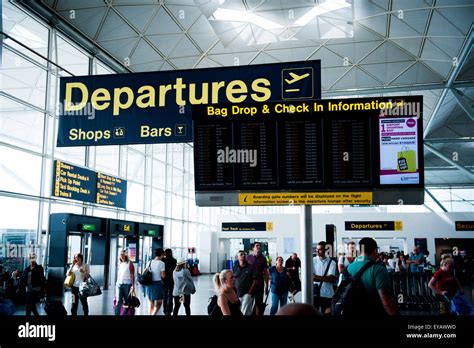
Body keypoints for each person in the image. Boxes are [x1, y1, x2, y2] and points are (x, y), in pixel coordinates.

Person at [344, 237, 399, 316]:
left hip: (351, 311)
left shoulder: (347, 269)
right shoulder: (379, 269)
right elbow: (385, 297)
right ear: (375, 250)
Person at [312, 241, 336, 315]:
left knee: (327, 313)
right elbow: (311, 277)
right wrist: (324, 278)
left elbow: (330, 278)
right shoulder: (312, 261)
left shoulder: (332, 262)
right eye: (316, 249)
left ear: (326, 250)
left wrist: (316, 277)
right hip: (315, 293)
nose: (317, 251)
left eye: (320, 249)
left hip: (328, 294)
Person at [247, 242, 269, 315]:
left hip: (260, 283)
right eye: (257, 246)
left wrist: (266, 285)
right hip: (250, 284)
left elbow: (266, 272)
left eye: (259, 246)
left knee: (259, 303)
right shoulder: (248, 258)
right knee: (248, 302)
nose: (258, 247)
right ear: (253, 248)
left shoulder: (263, 258)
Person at [232, 250, 257, 315]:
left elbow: (255, 281)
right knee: (240, 311)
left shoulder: (251, 267)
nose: (243, 256)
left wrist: (249, 293)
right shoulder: (235, 267)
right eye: (241, 254)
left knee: (245, 312)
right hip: (237, 294)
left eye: (244, 254)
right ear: (237, 257)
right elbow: (233, 279)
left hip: (247, 294)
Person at [115, 249, 135, 316]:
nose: (121, 256)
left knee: (127, 302)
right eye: (120, 255)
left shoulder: (130, 263)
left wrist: (133, 285)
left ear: (126, 255)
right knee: (118, 301)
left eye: (123, 254)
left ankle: (124, 314)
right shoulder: (119, 263)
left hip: (127, 284)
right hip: (119, 284)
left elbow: (132, 275)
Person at [147, 248, 166, 315]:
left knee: (151, 302)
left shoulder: (149, 262)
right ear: (161, 254)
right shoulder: (161, 263)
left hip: (149, 284)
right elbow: (163, 275)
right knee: (159, 302)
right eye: (163, 254)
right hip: (157, 284)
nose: (164, 255)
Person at [162, 248, 177, 316]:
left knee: (165, 295)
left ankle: (165, 310)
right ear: (171, 253)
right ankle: (169, 311)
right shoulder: (174, 260)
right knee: (170, 295)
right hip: (172, 280)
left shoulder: (163, 260)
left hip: (164, 280)